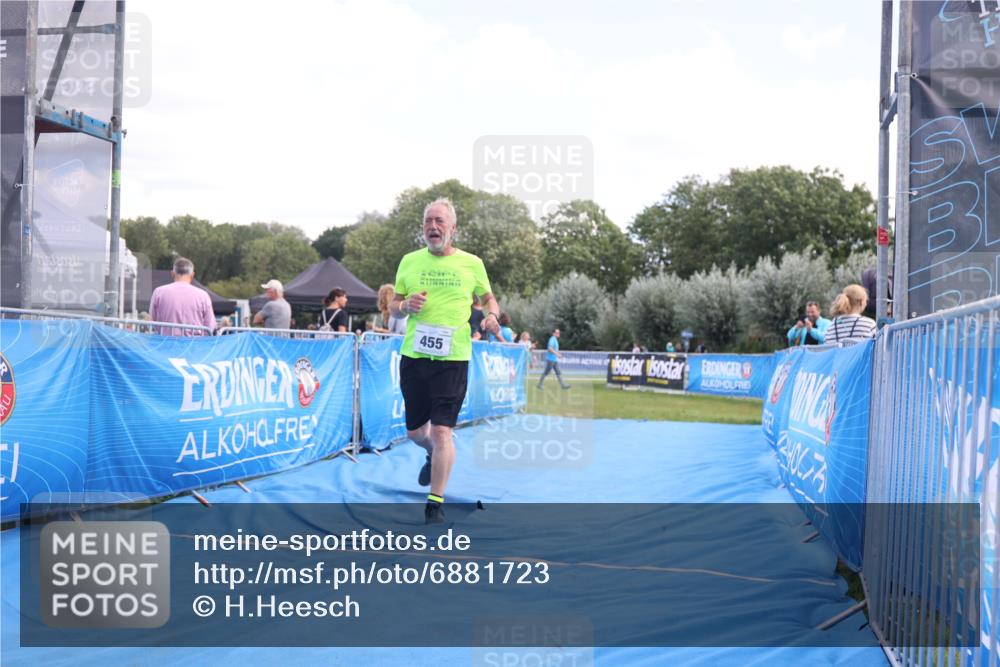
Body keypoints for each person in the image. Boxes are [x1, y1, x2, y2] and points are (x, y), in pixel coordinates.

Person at [389, 198, 502, 524]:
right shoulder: (409, 261)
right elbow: (393, 305)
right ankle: (429, 454)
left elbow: (488, 298)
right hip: (414, 356)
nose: (433, 227)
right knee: (415, 433)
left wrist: (492, 316)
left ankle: (433, 505)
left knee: (441, 432)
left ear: (452, 228)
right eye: (428, 221)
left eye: (439, 221)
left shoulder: (471, 263)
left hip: (452, 359)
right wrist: (405, 305)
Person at [149, 257, 216, 336]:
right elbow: (210, 326)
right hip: (194, 344)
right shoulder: (203, 296)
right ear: (192, 275)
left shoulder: (158, 292)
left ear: (172, 274)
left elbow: (152, 319)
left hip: (166, 343)